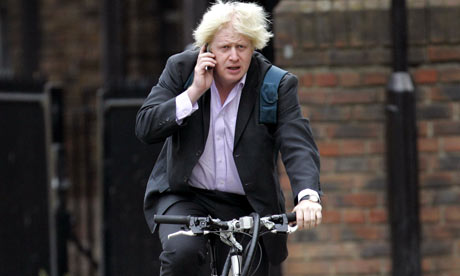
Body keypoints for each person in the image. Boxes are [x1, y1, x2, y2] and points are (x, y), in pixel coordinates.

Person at [135, 1, 322, 275]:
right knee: (182, 256)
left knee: (249, 268)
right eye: (224, 48)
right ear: (208, 48)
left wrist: (308, 197)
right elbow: (145, 127)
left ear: (254, 47)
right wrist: (194, 93)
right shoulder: (182, 70)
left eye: (242, 47)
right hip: (186, 195)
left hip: (247, 203)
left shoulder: (275, 84)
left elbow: (297, 142)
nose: (233, 57)